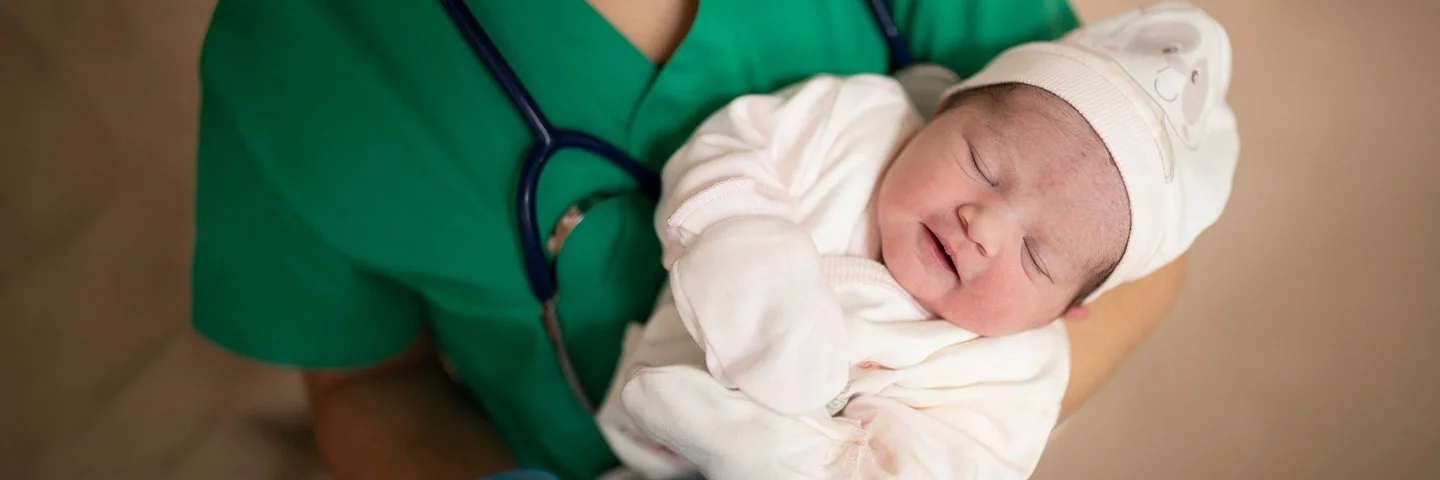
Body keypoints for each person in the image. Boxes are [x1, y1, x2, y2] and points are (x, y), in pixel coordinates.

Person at [192, 1, 1191, 479]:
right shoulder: (296, 59)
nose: (983, 224)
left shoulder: (1049, 153)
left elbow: (1128, 231)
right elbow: (366, 385)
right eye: (977, 179)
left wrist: (917, 440)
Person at [595, 3, 1236, 478]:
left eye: (1037, 256)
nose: (982, 227)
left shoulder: (1012, 375)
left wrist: (801, 457)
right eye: (983, 166)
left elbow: (939, 466)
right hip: (629, 437)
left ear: (1068, 312)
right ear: (939, 109)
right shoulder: (854, 125)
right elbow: (729, 152)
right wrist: (751, 250)